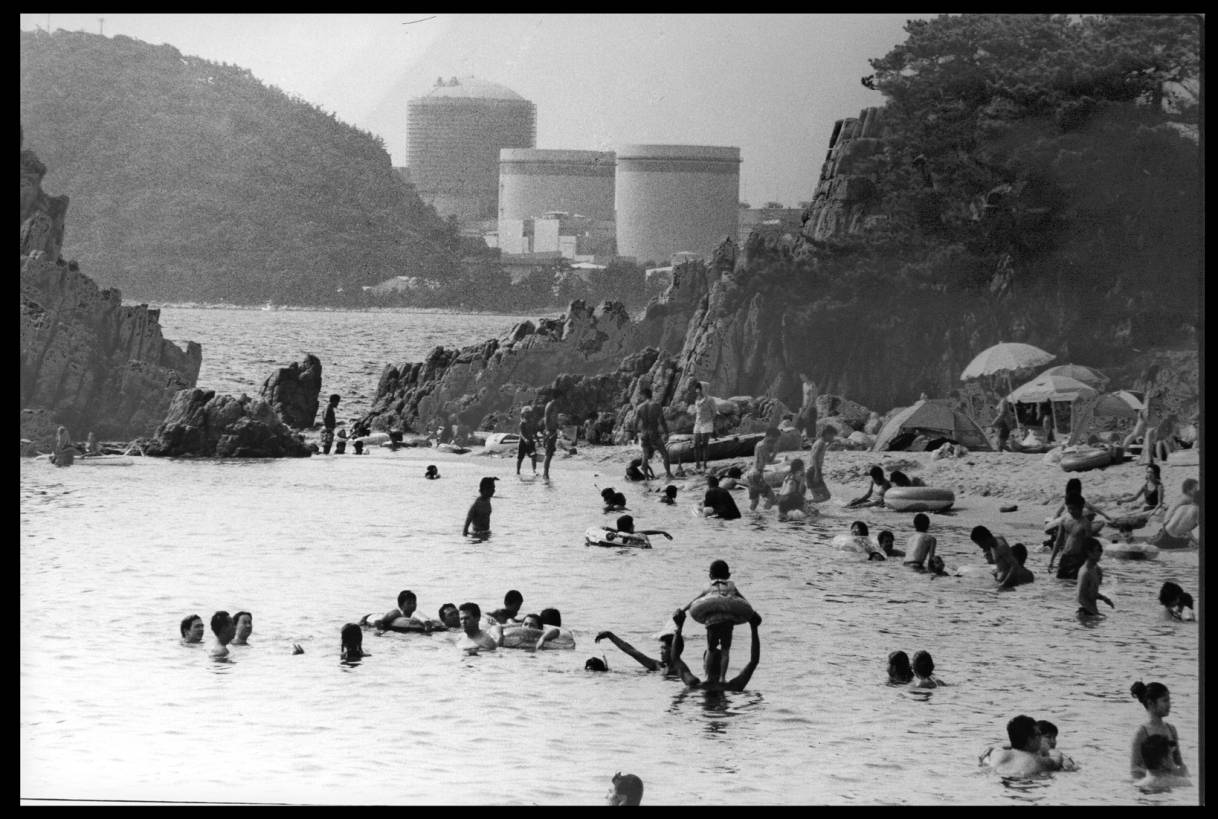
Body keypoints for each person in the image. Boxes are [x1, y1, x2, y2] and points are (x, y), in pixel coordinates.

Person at [681, 560, 752, 681]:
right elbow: (742, 600)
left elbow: (695, 600)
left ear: (710, 576)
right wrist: (751, 611)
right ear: (728, 575)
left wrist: (683, 610)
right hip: (727, 622)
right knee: (725, 650)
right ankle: (722, 677)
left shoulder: (708, 587)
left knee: (711, 649)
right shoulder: (731, 586)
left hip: (712, 622)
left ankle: (708, 677)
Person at [669, 607, 761, 693]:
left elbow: (675, 658)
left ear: (704, 664)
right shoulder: (732, 687)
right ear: (724, 664)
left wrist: (679, 627)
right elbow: (754, 661)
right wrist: (754, 627)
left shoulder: (694, 685)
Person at [1129, 681, 1189, 779]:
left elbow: (1179, 762)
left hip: (1169, 786)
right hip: (1149, 788)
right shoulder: (1142, 732)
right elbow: (1134, 769)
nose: (1169, 705)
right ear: (1151, 703)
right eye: (1165, 701)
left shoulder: (1171, 729)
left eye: (1169, 700)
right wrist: (1156, 776)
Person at [980, 715, 1053, 777]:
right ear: (1030, 740)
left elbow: (986, 756)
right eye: (1039, 734)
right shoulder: (1038, 760)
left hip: (997, 778)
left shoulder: (998, 753)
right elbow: (1057, 759)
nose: (1041, 738)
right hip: (1023, 782)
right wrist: (1048, 750)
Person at [1048, 495, 1093, 579]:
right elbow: (1058, 541)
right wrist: (1052, 560)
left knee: (1073, 584)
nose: (1071, 511)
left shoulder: (1085, 524)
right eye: (1069, 509)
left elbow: (1089, 545)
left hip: (1078, 559)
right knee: (1060, 583)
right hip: (1065, 557)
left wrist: (1089, 565)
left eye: (1074, 509)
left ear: (1081, 508)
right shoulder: (1065, 519)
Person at [595, 630, 677, 676]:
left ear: (673, 650)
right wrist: (610, 635)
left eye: (664, 649)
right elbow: (631, 651)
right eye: (661, 648)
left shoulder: (679, 670)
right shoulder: (658, 665)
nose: (661, 652)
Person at [634, 386, 673, 481]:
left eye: (641, 395)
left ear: (644, 395)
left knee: (645, 454)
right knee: (664, 454)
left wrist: (635, 435)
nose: (641, 397)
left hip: (644, 433)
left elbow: (635, 423)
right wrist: (666, 433)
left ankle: (646, 477)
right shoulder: (656, 405)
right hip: (653, 433)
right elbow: (662, 421)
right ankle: (668, 474)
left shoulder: (639, 407)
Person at [745, 427, 782, 512]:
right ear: (770, 436)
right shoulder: (764, 447)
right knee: (772, 498)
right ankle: (766, 516)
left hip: (751, 474)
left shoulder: (759, 444)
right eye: (775, 438)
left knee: (755, 501)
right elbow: (769, 461)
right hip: (757, 474)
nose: (775, 441)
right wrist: (775, 452)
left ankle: (751, 517)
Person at [1076, 538, 1114, 617]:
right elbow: (1080, 598)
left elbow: (1090, 593)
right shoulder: (1085, 572)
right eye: (1097, 550)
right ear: (1089, 553)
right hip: (1085, 614)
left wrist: (1104, 598)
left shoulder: (1094, 569)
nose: (1100, 552)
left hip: (1091, 612)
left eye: (1101, 549)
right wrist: (1096, 614)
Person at [690, 381, 719, 472]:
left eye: (699, 389)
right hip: (698, 423)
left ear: (704, 389)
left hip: (707, 423)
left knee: (705, 445)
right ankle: (697, 464)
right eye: (697, 389)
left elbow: (714, 412)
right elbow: (697, 412)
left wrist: (713, 425)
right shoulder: (697, 400)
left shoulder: (710, 400)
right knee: (696, 444)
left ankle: (705, 464)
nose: (697, 391)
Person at [806, 425, 836, 503]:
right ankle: (804, 503)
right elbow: (815, 457)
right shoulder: (821, 443)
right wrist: (816, 473)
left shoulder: (819, 442)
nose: (833, 437)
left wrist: (829, 444)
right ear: (827, 434)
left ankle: (805, 505)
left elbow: (817, 454)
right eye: (832, 435)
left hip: (811, 470)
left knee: (817, 497)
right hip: (814, 471)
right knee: (826, 496)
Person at [540, 389, 561, 480]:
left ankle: (545, 473)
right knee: (549, 453)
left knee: (550, 453)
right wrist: (548, 430)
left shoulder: (553, 404)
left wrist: (557, 426)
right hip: (550, 431)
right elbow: (547, 417)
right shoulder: (551, 404)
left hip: (552, 430)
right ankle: (545, 474)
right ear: (558, 397)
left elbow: (552, 418)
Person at [516, 405, 539, 475]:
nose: (528, 414)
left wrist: (538, 441)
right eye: (527, 413)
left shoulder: (532, 423)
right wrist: (525, 439)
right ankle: (518, 472)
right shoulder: (522, 423)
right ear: (523, 414)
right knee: (520, 458)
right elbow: (521, 434)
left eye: (529, 413)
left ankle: (534, 471)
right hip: (523, 443)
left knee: (534, 455)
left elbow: (534, 433)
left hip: (531, 442)